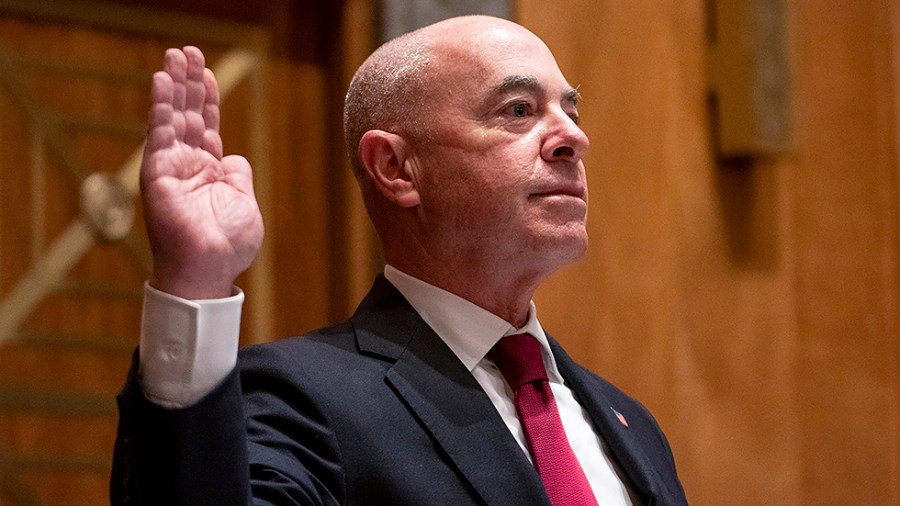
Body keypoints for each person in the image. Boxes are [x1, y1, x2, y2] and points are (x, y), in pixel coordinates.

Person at [111, 15, 687, 506]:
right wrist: (195, 283)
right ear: (395, 167)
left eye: (571, 111)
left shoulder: (627, 422)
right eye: (517, 110)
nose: (571, 139)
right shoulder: (303, 396)